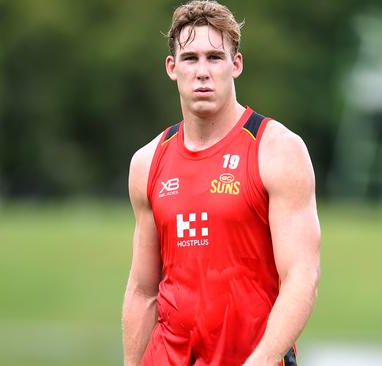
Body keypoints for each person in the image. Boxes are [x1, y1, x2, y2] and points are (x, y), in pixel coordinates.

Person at [122, 1, 320, 365]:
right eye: (190, 58)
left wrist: (260, 361)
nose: (202, 72)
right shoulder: (147, 162)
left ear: (236, 64)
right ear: (172, 68)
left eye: (214, 57)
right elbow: (142, 290)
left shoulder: (277, 150)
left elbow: (301, 277)